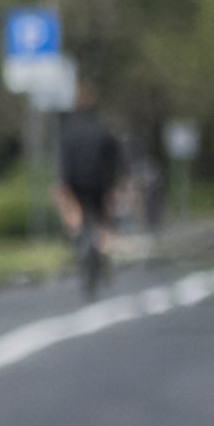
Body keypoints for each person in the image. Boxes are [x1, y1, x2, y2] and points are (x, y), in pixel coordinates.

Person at [52, 82, 126, 294]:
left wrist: (64, 184)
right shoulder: (104, 132)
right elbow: (115, 160)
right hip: (101, 185)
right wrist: (114, 183)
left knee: (76, 214)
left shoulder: (69, 133)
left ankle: (77, 238)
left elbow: (64, 162)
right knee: (102, 221)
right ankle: (102, 253)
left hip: (76, 184)